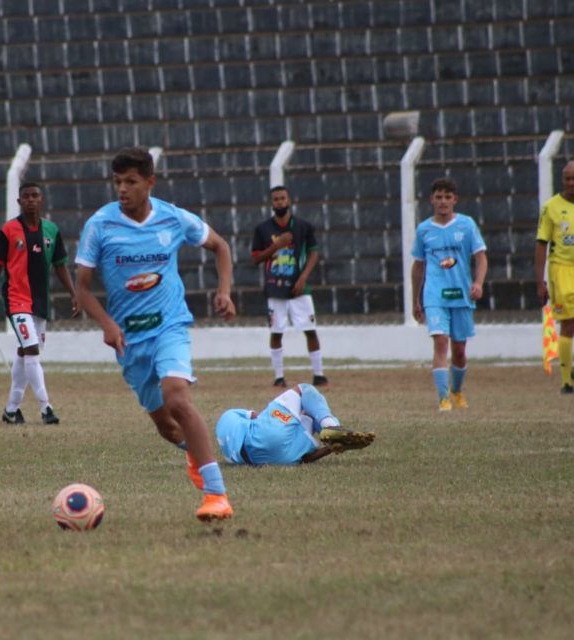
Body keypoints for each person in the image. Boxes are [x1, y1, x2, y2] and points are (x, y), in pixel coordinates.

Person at [75, 147, 236, 522]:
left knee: (177, 397)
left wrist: (224, 291)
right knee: (166, 426)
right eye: (117, 182)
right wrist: (108, 324)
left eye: (131, 182)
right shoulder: (100, 225)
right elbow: (82, 287)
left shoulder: (173, 218)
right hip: (130, 340)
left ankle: (217, 495)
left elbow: (221, 247)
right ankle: (196, 455)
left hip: (170, 325)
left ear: (150, 182)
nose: (122, 189)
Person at [0, 182, 78, 424]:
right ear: (19, 201)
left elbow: (60, 266)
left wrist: (74, 293)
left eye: (35, 196)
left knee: (26, 353)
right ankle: (46, 409)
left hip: (40, 302)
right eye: (26, 196)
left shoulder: (52, 231)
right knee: (32, 350)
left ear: (42, 200)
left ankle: (11, 410)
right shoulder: (8, 231)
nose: (31, 200)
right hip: (16, 300)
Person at [410, 178, 488, 411]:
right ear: (431, 200)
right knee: (441, 342)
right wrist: (416, 299)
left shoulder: (466, 225)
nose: (443, 201)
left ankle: (457, 390)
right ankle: (443, 398)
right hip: (435, 296)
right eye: (438, 197)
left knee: (459, 350)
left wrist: (478, 282)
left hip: (461, 295)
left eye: (447, 197)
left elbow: (481, 256)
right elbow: (418, 266)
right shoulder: (424, 229)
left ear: (454, 200)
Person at [251, 185, 327, 388]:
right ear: (271, 203)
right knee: (276, 332)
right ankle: (279, 377)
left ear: (289, 200)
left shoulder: (303, 226)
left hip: (299, 288)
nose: (280, 202)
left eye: (283, 198)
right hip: (275, 289)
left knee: (310, 329)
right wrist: (276, 246)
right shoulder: (263, 229)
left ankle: (319, 375)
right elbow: (256, 258)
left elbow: (313, 252)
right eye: (276, 199)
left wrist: (303, 278)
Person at [215, 384, 374, 467]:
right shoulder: (229, 415)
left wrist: (329, 449)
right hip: (264, 436)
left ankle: (334, 439)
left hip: (276, 459)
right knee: (304, 389)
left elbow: (304, 460)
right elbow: (258, 416)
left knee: (307, 418)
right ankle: (331, 425)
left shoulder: (229, 456)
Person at [535, 160, 574, 395]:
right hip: (562, 269)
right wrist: (540, 281)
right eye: (567, 178)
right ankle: (566, 382)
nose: (571, 183)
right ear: (562, 180)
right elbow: (541, 243)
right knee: (568, 324)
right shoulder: (550, 208)